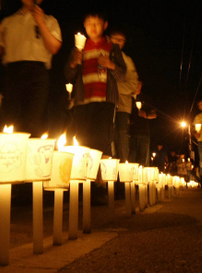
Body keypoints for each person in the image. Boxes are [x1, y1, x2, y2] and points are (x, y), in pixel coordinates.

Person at [0, 0, 62, 137]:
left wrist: (40, 22)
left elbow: (54, 48)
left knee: (33, 121)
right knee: (10, 118)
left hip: (37, 73)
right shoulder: (8, 21)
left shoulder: (50, 20)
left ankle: (32, 159)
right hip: (13, 73)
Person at [65, 12, 126, 155]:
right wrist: (73, 63)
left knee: (103, 141)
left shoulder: (112, 47)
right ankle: (85, 175)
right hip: (83, 102)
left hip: (106, 103)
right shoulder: (79, 48)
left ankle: (101, 176)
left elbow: (122, 75)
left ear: (105, 25)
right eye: (89, 23)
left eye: (97, 23)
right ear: (84, 25)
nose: (93, 27)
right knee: (83, 140)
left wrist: (110, 64)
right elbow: (68, 74)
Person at [110, 30, 139, 162]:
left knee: (121, 135)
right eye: (115, 38)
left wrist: (113, 88)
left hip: (122, 104)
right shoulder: (103, 54)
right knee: (106, 133)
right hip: (104, 103)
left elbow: (133, 84)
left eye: (121, 40)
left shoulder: (127, 60)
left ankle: (122, 171)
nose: (117, 42)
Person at [129, 81, 157, 166]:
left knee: (142, 158)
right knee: (131, 157)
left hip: (143, 132)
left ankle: (141, 178)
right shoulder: (128, 97)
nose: (137, 85)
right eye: (135, 83)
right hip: (130, 132)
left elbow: (154, 115)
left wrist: (147, 115)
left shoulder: (146, 99)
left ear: (141, 85)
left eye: (139, 83)